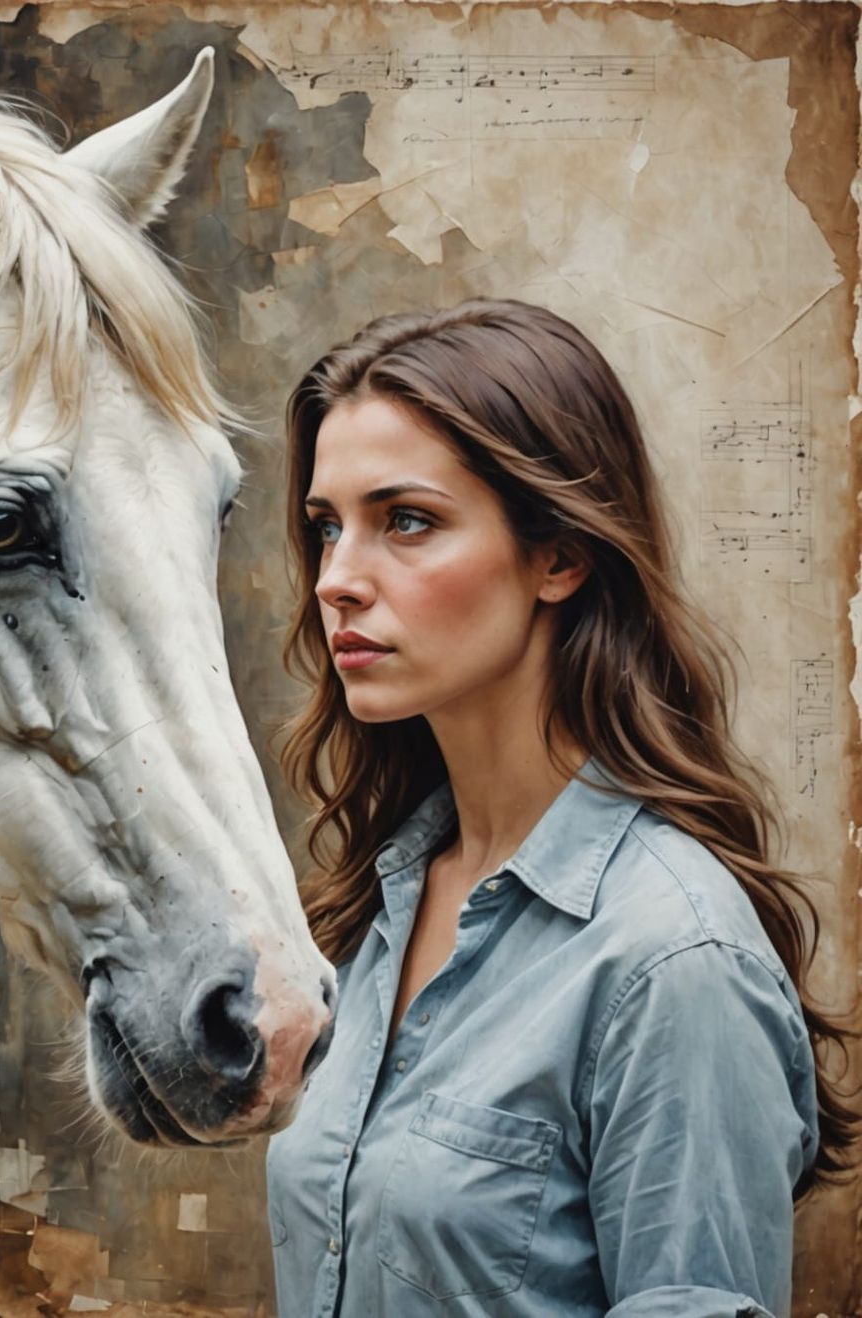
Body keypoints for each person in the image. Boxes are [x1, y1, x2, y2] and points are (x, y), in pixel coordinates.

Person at [264, 299, 857, 1317]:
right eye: (327, 527)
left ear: (558, 556)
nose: (338, 581)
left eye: (405, 520)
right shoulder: (374, 903)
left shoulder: (671, 960)